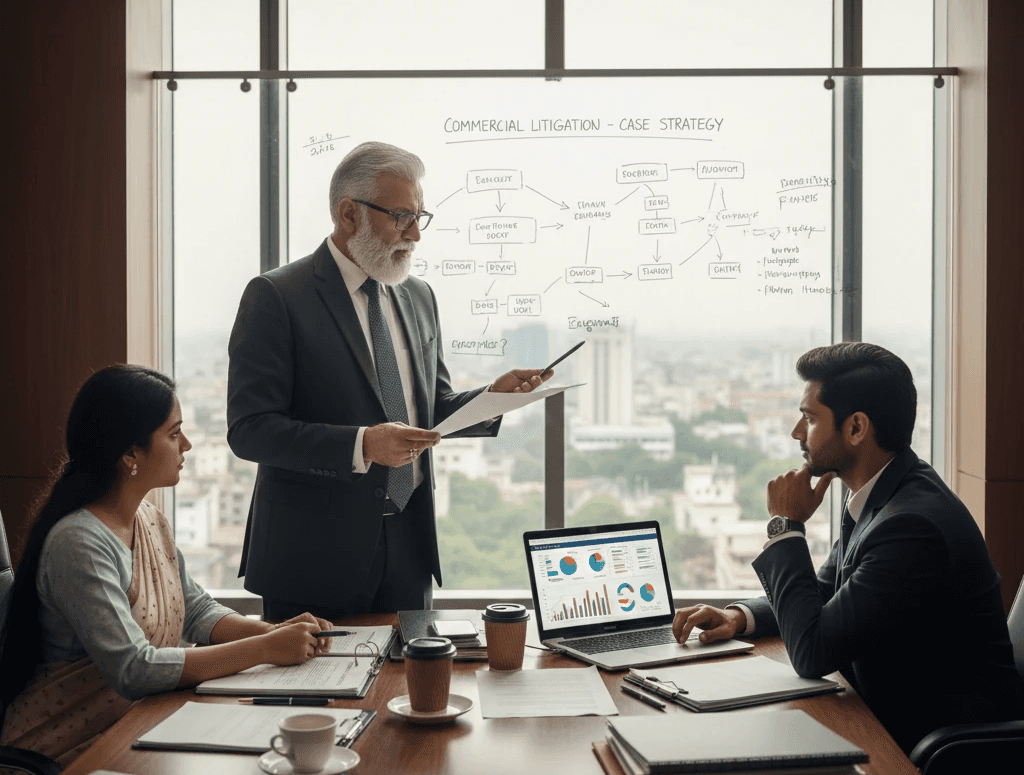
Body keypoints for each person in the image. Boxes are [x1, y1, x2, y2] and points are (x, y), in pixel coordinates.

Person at [228, 141, 550, 621]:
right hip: (312, 559)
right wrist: (362, 445)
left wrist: (492, 398)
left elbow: (430, 408)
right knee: (319, 694)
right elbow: (250, 429)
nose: (416, 235)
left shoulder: (418, 296)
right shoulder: (276, 296)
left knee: (413, 694)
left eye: (421, 217)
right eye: (402, 216)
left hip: (409, 550)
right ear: (348, 213)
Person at [672, 342, 1024, 754]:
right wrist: (739, 617)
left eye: (809, 418)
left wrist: (786, 527)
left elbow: (813, 652)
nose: (796, 433)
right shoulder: (884, 493)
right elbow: (827, 595)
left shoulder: (912, 527)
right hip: (884, 719)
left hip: (934, 747)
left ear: (856, 428)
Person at [0, 365, 334, 766]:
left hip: (138, 727)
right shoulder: (79, 543)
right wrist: (265, 647)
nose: (188, 445)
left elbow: (196, 610)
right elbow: (134, 668)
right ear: (130, 453)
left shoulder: (149, 518)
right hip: (63, 751)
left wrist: (274, 632)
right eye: (174, 434)